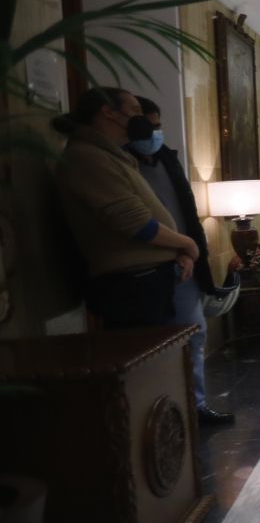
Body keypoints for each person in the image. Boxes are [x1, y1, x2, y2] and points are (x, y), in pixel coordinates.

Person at [52, 88, 234, 422]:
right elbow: (132, 221)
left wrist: (180, 251)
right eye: (134, 109)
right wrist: (187, 244)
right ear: (108, 113)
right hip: (134, 284)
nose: (141, 120)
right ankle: (160, 429)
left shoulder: (119, 156)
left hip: (160, 272)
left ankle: (186, 414)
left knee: (184, 345)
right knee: (148, 365)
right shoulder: (87, 157)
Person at [128, 97, 236, 423]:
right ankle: (159, 416)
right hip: (142, 269)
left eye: (158, 126)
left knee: (194, 333)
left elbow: (183, 209)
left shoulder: (166, 160)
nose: (155, 133)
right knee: (148, 346)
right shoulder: (120, 165)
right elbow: (132, 220)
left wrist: (189, 252)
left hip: (183, 263)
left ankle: (194, 406)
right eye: (149, 126)